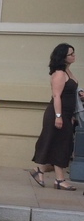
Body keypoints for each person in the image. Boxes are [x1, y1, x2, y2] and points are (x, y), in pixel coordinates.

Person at [30, 43, 78, 190]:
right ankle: (55, 177)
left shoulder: (68, 72)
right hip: (56, 114)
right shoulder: (59, 74)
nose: (73, 56)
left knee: (62, 145)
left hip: (67, 114)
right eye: (71, 54)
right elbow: (56, 96)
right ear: (63, 57)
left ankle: (46, 174)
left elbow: (70, 93)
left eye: (73, 53)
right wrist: (58, 116)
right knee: (53, 143)